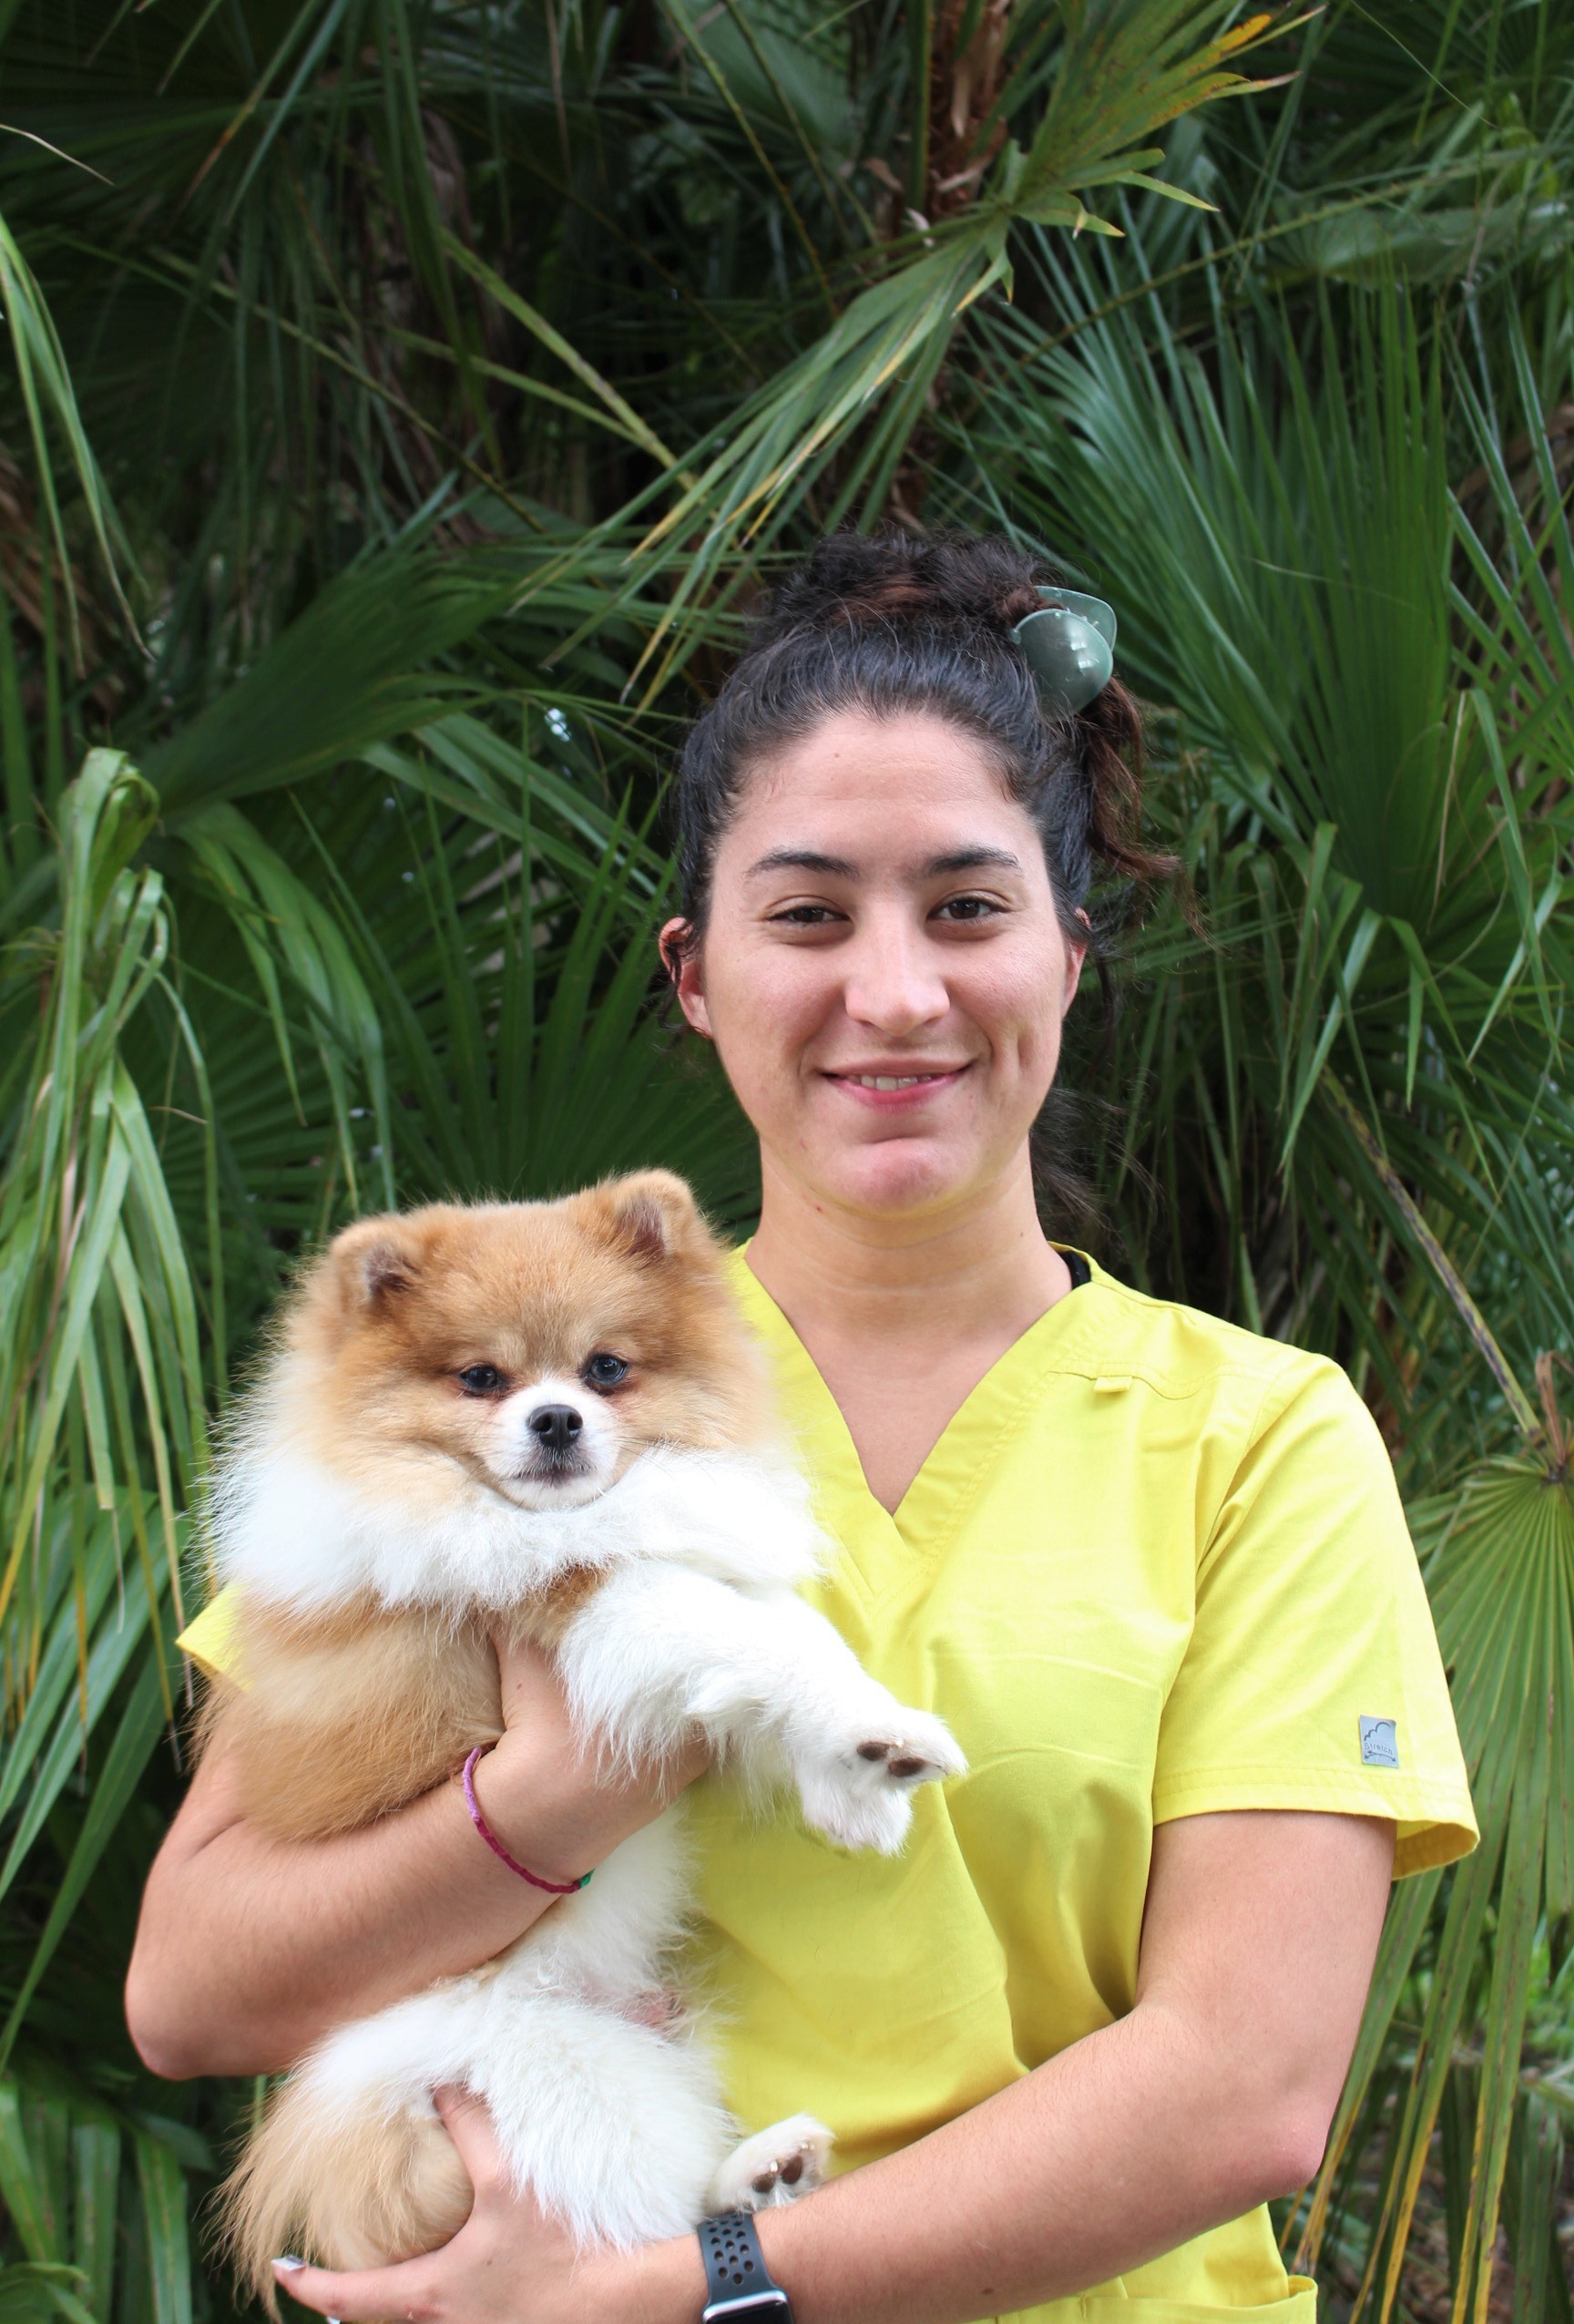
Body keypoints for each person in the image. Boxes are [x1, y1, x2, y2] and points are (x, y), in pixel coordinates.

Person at [127, 530, 1476, 2324]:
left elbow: (1245, 2087)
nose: (896, 994)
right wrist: (548, 1795)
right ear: (697, 975)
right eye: (811, 914)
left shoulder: (1262, 1442)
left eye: (969, 909)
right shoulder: (498, 1419)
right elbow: (191, 1989)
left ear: (1071, 954)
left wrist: (697, 2290)